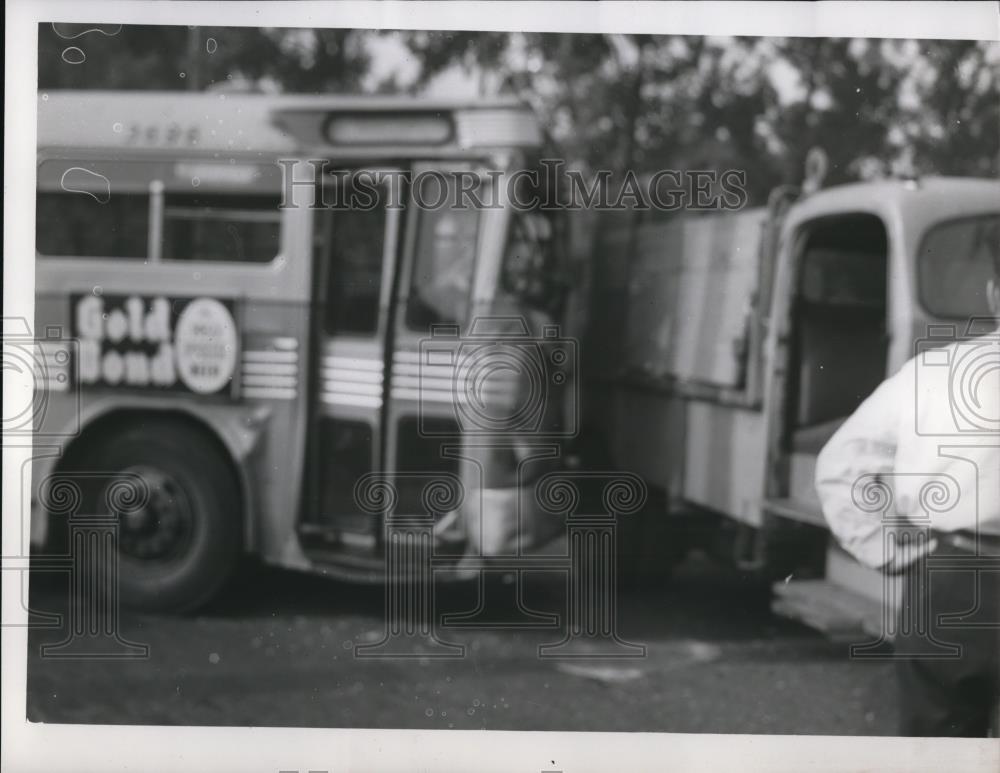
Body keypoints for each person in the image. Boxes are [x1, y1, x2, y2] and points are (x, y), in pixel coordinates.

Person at [814, 248, 1000, 737]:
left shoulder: (932, 373)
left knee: (939, 748)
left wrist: (881, 550)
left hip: (953, 581)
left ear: (993, 295)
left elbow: (841, 464)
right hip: (954, 575)